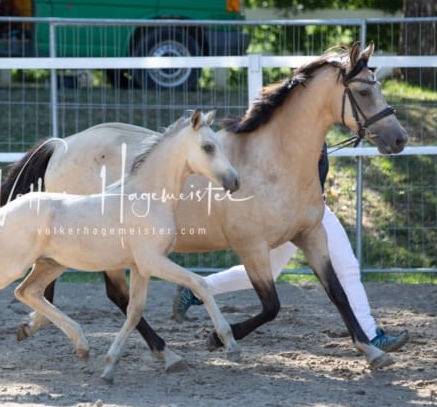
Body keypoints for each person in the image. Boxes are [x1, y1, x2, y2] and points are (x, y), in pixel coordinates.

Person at [173, 144, 410, 353]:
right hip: (286, 214)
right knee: (335, 268)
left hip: (313, 212)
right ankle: (370, 336)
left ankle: (196, 290)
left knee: (339, 267)